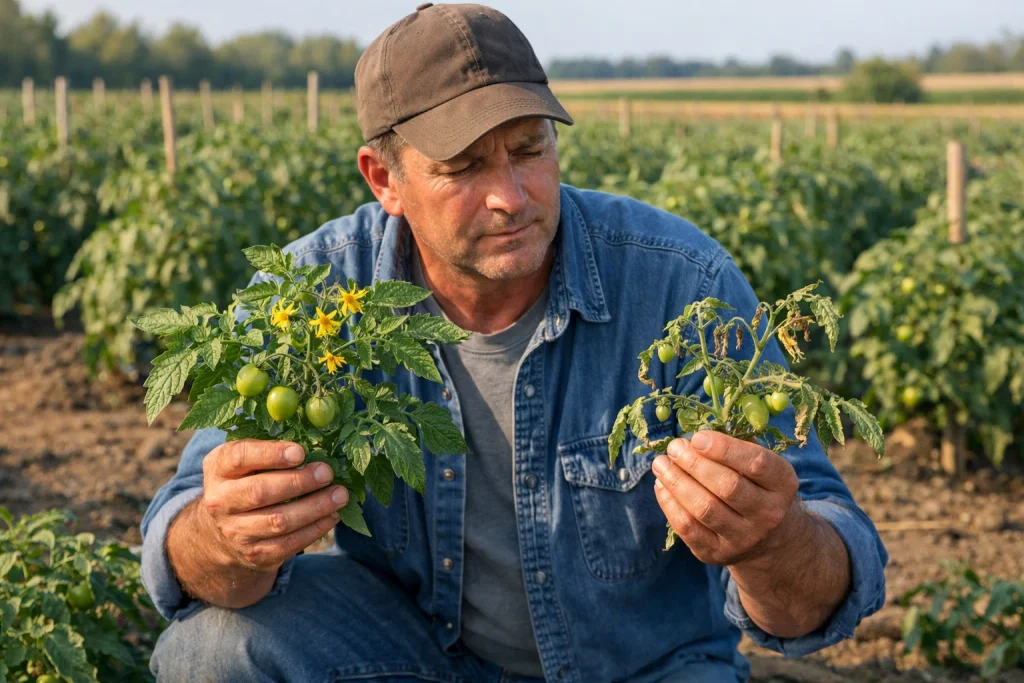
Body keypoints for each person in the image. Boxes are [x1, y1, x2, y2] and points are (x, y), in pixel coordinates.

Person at [140, 3, 888, 681]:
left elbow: (822, 583)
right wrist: (225, 537)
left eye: (529, 149)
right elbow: (181, 547)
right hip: (414, 655)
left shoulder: (679, 288)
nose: (512, 196)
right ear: (384, 179)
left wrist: (771, 541)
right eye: (463, 166)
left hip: (638, 669)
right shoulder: (312, 299)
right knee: (209, 653)